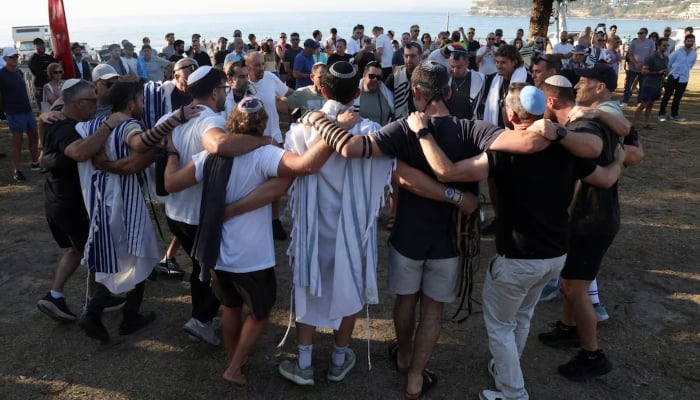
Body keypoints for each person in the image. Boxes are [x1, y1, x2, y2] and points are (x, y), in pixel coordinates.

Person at [303, 60, 566, 399]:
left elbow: (350, 148)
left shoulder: (400, 128)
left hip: (408, 237)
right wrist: (551, 128)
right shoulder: (473, 129)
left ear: (414, 92)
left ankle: (405, 356)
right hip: (449, 241)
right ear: (448, 91)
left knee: (406, 300)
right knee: (432, 309)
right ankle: (415, 377)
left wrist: (319, 119)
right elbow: (527, 144)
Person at [406, 81, 623, 400]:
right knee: (521, 316)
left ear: (509, 115)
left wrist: (421, 132)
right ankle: (505, 370)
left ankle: (512, 392)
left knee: (500, 326)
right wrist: (618, 158)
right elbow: (604, 178)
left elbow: (446, 171)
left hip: (518, 258)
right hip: (555, 256)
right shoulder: (566, 148)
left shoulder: (502, 154)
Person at [164, 95, 337, 386]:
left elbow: (170, 184)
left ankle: (236, 359)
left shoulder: (208, 157)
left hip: (216, 250)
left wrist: (170, 153)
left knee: (231, 306)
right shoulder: (266, 154)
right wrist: (334, 130)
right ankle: (233, 367)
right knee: (260, 313)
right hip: (251, 254)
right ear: (263, 123)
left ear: (231, 122)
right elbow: (307, 165)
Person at [277, 61, 394, 387]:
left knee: (308, 286)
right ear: (357, 92)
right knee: (350, 282)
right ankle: (338, 360)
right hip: (354, 229)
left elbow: (291, 174)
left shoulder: (300, 130)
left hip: (314, 226)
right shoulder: (371, 131)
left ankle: (304, 363)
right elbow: (388, 173)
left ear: (322, 89)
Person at [75, 81, 200, 343]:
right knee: (138, 256)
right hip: (124, 200)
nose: (143, 104)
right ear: (131, 104)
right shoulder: (129, 124)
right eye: (141, 100)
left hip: (101, 198)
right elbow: (141, 143)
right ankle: (107, 314)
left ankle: (118, 313)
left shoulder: (94, 125)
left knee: (125, 256)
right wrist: (175, 119)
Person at [539, 64, 623, 381]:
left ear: (600, 87)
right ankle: (568, 328)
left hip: (593, 217)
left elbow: (610, 153)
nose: (578, 85)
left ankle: (592, 355)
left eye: (584, 82)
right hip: (585, 216)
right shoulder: (592, 118)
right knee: (569, 280)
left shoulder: (592, 123)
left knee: (578, 287)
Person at [38, 79, 129, 322]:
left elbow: (42, 152)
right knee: (93, 249)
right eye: (92, 100)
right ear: (78, 103)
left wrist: (42, 119)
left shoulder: (59, 120)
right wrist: (109, 125)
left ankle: (56, 295)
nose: (97, 103)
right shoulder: (64, 128)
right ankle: (92, 301)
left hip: (60, 200)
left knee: (79, 249)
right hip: (70, 203)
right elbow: (79, 152)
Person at [0, 47, 40, 182]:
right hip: (14, 112)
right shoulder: (1, 74)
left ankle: (35, 163)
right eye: (12, 57)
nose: (15, 59)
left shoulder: (19, 72)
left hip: (27, 109)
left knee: (34, 135)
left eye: (16, 56)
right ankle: (17, 171)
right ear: (5, 59)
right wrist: (5, 111)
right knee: (17, 141)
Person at [658, 34, 696, 122]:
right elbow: (669, 63)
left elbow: (691, 65)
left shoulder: (694, 54)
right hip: (673, 76)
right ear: (685, 41)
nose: (690, 42)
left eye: (692, 41)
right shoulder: (678, 52)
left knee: (677, 98)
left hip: (684, 78)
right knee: (667, 95)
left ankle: (674, 114)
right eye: (688, 40)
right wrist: (667, 74)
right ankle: (661, 114)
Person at [633, 38, 669, 129]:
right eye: (664, 45)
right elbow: (643, 71)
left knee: (650, 105)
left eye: (667, 45)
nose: (666, 47)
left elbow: (664, 70)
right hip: (648, 84)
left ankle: (647, 123)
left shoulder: (666, 58)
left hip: (658, 85)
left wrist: (665, 72)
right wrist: (657, 73)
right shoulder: (651, 58)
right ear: (658, 46)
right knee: (643, 105)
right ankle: (633, 123)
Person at [446, 46, 485, 120]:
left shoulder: (479, 79)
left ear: (467, 64)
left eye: (459, 67)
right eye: (452, 66)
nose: (455, 70)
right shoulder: (446, 79)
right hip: (449, 123)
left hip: (469, 124)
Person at [352, 61, 394, 125]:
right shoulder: (352, 95)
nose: (375, 79)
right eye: (371, 76)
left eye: (378, 77)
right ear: (364, 75)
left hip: (383, 133)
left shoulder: (387, 95)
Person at [621, 27, 656, 107]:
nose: (639, 35)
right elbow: (630, 54)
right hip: (633, 68)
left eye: (641, 33)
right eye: (638, 33)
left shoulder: (651, 43)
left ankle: (639, 101)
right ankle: (625, 101)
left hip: (644, 69)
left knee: (642, 85)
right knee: (628, 85)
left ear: (646, 34)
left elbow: (651, 55)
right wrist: (635, 64)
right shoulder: (634, 42)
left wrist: (644, 65)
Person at [29, 38, 56, 108]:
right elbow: (38, 73)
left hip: (52, 87)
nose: (41, 47)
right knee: (44, 109)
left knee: (55, 108)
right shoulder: (33, 59)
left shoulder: (49, 57)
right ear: (35, 47)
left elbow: (56, 67)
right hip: (41, 88)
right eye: (39, 45)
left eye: (42, 45)